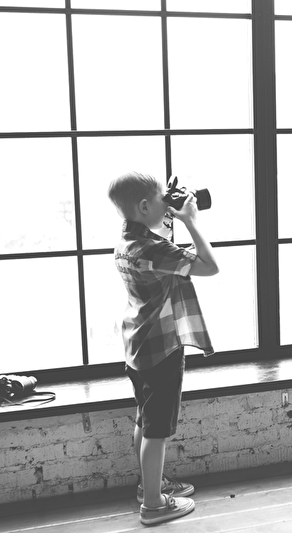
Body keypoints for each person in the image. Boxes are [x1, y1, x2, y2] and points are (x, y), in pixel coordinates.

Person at [108, 171, 219, 525]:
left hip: (136, 344)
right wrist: (190, 220)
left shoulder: (127, 242)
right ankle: (154, 505)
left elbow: (162, 255)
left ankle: (149, 486)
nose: (168, 204)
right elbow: (210, 266)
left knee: (145, 419)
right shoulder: (155, 249)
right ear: (144, 207)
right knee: (157, 431)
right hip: (161, 349)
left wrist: (168, 216)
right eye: (161, 200)